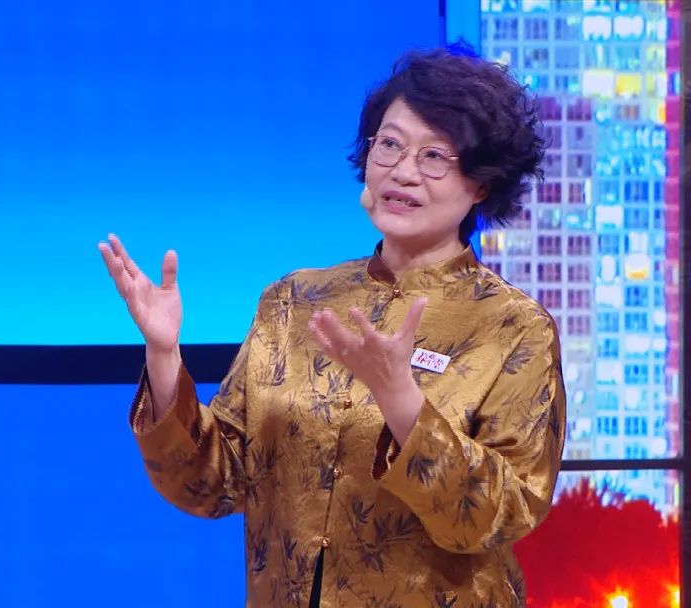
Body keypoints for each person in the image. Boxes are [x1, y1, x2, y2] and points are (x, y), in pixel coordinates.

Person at [98, 45, 566, 608]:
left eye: (434, 156)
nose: (403, 171)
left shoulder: (514, 328)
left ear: (482, 182)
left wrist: (402, 401)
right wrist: (163, 354)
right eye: (389, 144)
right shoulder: (294, 300)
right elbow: (212, 483)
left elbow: (499, 514)